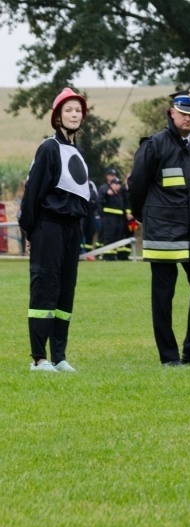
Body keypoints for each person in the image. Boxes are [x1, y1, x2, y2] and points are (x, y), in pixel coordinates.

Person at [128, 89, 190, 366]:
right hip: (164, 230)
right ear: (172, 113)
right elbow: (137, 184)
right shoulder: (155, 144)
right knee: (163, 295)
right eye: (183, 113)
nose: (188, 119)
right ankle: (168, 356)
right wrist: (142, 216)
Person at [18, 88, 89, 372]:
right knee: (44, 290)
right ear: (57, 117)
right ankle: (39, 358)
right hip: (49, 227)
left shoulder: (78, 151)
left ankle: (59, 357)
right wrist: (30, 232)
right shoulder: (49, 148)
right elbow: (32, 193)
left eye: (78, 110)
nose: (74, 114)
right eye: (68, 110)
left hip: (72, 229)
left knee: (65, 292)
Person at [100, 176, 127, 261]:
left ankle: (113, 254)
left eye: (119, 184)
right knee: (109, 236)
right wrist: (107, 193)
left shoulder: (119, 194)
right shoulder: (108, 192)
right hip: (110, 217)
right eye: (116, 184)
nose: (118, 186)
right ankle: (107, 255)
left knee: (117, 236)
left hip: (119, 218)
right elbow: (102, 195)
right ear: (111, 185)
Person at [80, 178, 98, 256]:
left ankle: (89, 253)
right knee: (80, 233)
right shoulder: (80, 189)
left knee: (90, 233)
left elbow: (96, 202)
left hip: (90, 214)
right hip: (82, 214)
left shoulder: (92, 190)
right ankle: (79, 252)